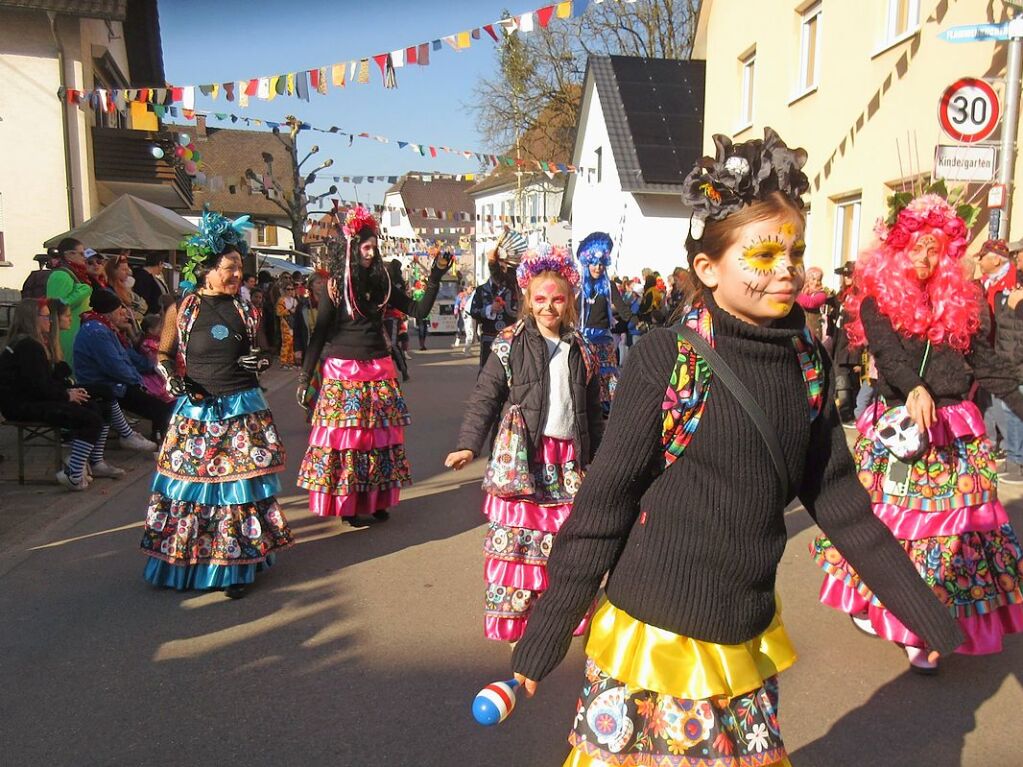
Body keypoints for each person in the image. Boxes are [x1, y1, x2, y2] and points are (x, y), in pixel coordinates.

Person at [509, 129, 963, 766]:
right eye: (764, 254)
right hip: (659, 642)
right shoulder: (666, 360)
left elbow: (840, 502)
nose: (787, 269)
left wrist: (922, 610)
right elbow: (604, 506)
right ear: (707, 268)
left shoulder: (805, 360)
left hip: (745, 639)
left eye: (796, 251)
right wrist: (542, 643)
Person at [812, 188, 1023, 674]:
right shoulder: (877, 303)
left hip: (954, 432)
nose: (927, 257)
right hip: (902, 427)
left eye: (937, 248)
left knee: (955, 538)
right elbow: (887, 355)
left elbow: (986, 366)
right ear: (898, 251)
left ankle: (931, 616)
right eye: (917, 246)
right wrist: (914, 388)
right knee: (893, 529)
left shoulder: (961, 308)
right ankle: (907, 620)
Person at [446, 245, 602, 643]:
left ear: (568, 303)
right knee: (518, 543)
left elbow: (593, 411)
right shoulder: (509, 342)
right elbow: (486, 396)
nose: (549, 307)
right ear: (528, 302)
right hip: (524, 459)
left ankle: (562, 618)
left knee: (565, 544)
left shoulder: (582, 349)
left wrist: (603, 462)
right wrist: (469, 444)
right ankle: (515, 619)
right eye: (540, 299)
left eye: (557, 300)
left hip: (568, 461)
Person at [142, 208, 291, 597]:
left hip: (241, 408)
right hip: (196, 410)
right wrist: (175, 381)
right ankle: (189, 564)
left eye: (239, 267)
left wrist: (258, 361)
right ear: (207, 269)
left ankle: (235, 569)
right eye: (230, 267)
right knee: (192, 491)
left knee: (237, 494)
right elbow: (162, 355)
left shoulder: (246, 307)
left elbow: (260, 352)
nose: (237, 275)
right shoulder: (183, 308)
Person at [296, 207, 452, 526]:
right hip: (344, 371)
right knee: (350, 443)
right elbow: (320, 333)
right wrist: (304, 376)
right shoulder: (334, 287)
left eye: (374, 247)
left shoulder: (383, 283)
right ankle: (350, 503)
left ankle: (378, 499)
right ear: (352, 249)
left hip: (379, 369)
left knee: (381, 441)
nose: (371, 252)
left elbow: (418, 310)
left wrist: (436, 274)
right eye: (366, 247)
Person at [0, 299, 124, 490]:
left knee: (95, 405)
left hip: (30, 400)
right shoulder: (28, 346)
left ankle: (87, 461)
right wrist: (67, 395)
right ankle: (74, 472)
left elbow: (45, 382)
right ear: (33, 319)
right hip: (21, 406)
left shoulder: (33, 343)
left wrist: (69, 390)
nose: (50, 321)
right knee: (89, 418)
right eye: (46, 316)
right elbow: (38, 387)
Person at [73, 289, 169, 446]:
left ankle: (144, 438)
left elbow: (130, 358)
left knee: (164, 403)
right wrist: (140, 383)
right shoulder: (97, 331)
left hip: (115, 383)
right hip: (106, 386)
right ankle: (155, 443)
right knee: (160, 407)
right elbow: (115, 367)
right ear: (109, 313)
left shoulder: (106, 329)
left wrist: (154, 367)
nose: (125, 315)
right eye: (120, 311)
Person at [576, 232, 633, 414]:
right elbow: (572, 311)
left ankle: (606, 410)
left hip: (604, 339)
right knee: (584, 374)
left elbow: (623, 309)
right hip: (584, 338)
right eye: (594, 263)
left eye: (601, 264)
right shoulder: (579, 287)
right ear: (587, 263)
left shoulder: (609, 286)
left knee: (607, 376)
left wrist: (636, 322)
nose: (598, 267)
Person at [470, 233, 524, 367]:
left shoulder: (513, 286)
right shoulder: (482, 290)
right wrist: (489, 309)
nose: (502, 271)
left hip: (511, 339)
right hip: (489, 338)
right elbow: (474, 312)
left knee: (511, 373)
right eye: (499, 268)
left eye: (504, 267)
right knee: (488, 374)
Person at [45, 237, 92, 371]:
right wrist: (83, 290)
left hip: (76, 331)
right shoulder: (60, 275)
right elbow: (56, 306)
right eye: (81, 254)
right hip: (66, 334)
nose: (85, 258)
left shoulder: (75, 274)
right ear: (69, 254)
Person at [105, 252, 148, 343]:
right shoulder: (109, 292)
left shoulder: (126, 289)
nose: (128, 272)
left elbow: (143, 307)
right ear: (113, 271)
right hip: (119, 336)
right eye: (124, 270)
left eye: (128, 269)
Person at [132, 252, 170, 317]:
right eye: (162, 264)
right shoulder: (142, 277)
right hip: (148, 316)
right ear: (159, 263)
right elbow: (144, 298)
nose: (162, 268)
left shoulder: (152, 277)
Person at [796, 266, 829, 338]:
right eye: (813, 279)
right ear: (807, 279)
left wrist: (795, 293)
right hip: (799, 329)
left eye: (818, 280)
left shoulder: (821, 294)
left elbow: (811, 303)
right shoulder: (803, 291)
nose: (816, 282)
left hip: (813, 331)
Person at [276, 279, 297, 369]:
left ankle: (291, 361)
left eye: (292, 289)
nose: (290, 291)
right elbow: (278, 312)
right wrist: (289, 311)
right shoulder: (281, 300)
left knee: (292, 343)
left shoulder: (294, 300)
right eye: (288, 289)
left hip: (293, 323)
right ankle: (283, 362)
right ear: (284, 290)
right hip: (285, 323)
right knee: (286, 343)